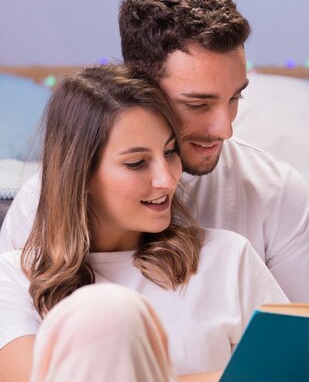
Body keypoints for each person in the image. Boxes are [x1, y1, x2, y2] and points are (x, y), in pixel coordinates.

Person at [0, 0, 309, 305]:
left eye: (234, 99)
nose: (225, 129)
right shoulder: (43, 205)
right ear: (140, 88)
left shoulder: (274, 194)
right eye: (198, 104)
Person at [0, 65, 288, 382]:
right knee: (108, 310)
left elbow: (298, 374)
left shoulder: (229, 257)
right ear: (80, 174)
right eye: (137, 163)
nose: (167, 180)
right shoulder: (15, 277)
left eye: (170, 152)